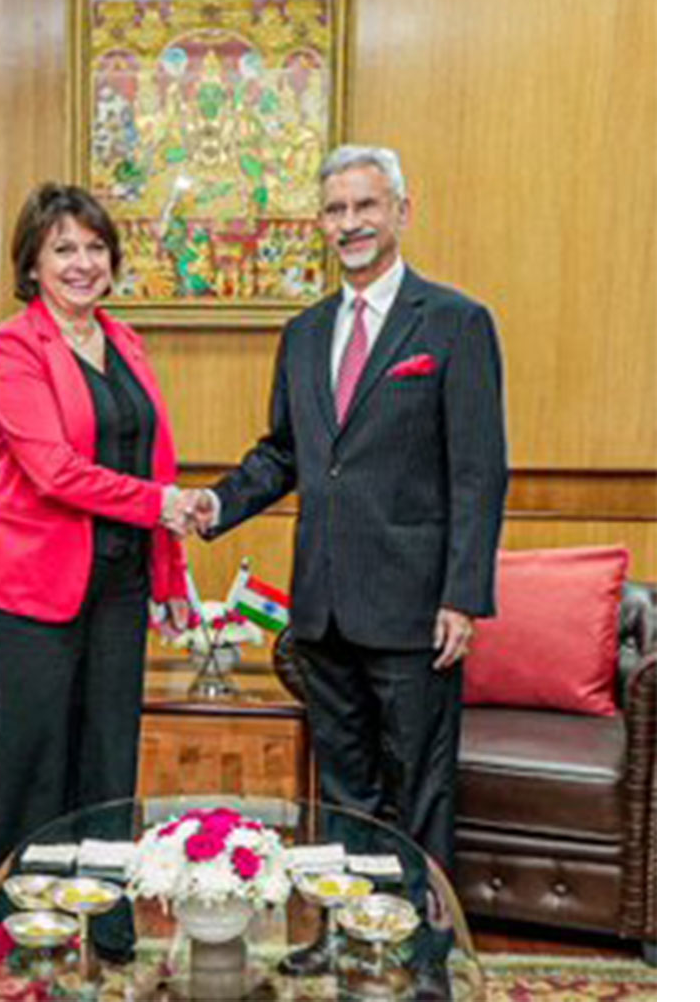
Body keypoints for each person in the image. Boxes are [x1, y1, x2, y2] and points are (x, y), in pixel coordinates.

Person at [192, 145, 508, 963]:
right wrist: (219, 502)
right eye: (336, 210)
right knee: (344, 794)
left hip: (414, 612)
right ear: (321, 223)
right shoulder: (302, 334)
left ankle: (425, 956)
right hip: (323, 610)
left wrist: (463, 597)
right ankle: (342, 937)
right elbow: (286, 454)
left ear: (402, 211)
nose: (351, 224)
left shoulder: (454, 323)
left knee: (421, 791)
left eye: (366, 206)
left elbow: (478, 471)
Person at [0, 184, 195, 946]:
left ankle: (103, 927)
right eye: (64, 247)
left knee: (108, 768)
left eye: (96, 247)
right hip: (32, 595)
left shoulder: (126, 341)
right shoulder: (13, 348)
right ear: (32, 262)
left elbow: (155, 463)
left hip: (119, 592)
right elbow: (55, 472)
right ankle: (21, 935)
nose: (83, 262)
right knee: (34, 774)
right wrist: (164, 507)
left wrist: (168, 578)